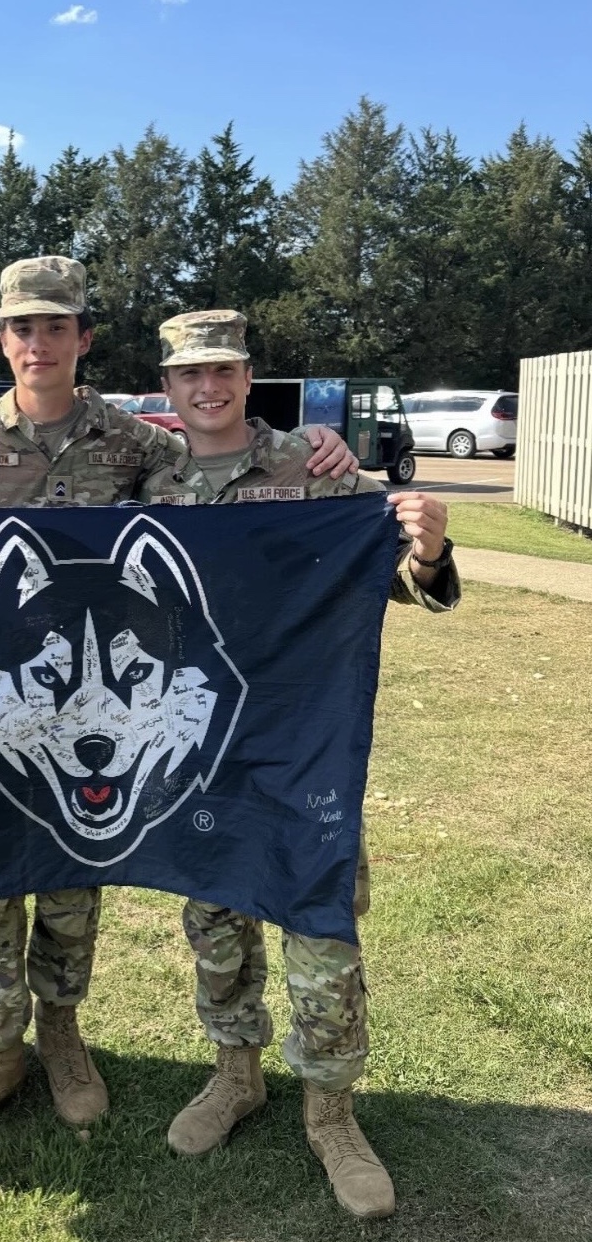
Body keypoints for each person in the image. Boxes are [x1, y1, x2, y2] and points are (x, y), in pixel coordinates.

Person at [0, 257, 359, 1154]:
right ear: (2, 339)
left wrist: (336, 463)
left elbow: (214, 522)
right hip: (4, 725)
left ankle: (67, 1041)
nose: (37, 343)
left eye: (55, 326)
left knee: (74, 886)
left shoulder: (140, 453)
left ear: (83, 337)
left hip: (121, 721)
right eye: (20, 328)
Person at [140, 310, 460, 1221]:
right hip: (194, 752)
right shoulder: (148, 479)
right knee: (214, 925)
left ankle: (330, 1111)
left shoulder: (310, 467)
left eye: (224, 371)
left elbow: (392, 575)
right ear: (166, 387)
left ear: (248, 377)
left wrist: (427, 544)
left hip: (300, 744)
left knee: (321, 924)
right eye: (189, 375)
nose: (207, 388)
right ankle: (234, 1075)